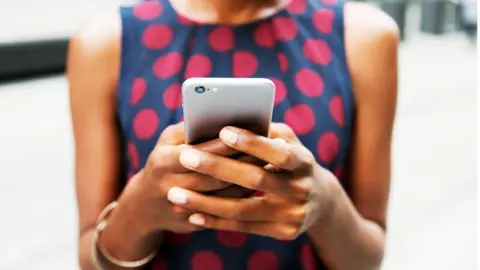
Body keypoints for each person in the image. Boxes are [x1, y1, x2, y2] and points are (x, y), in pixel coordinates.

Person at [67, 0, 398, 269]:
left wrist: (327, 206)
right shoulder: (106, 42)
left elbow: (367, 258)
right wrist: (138, 211)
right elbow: (90, 256)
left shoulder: (364, 37)